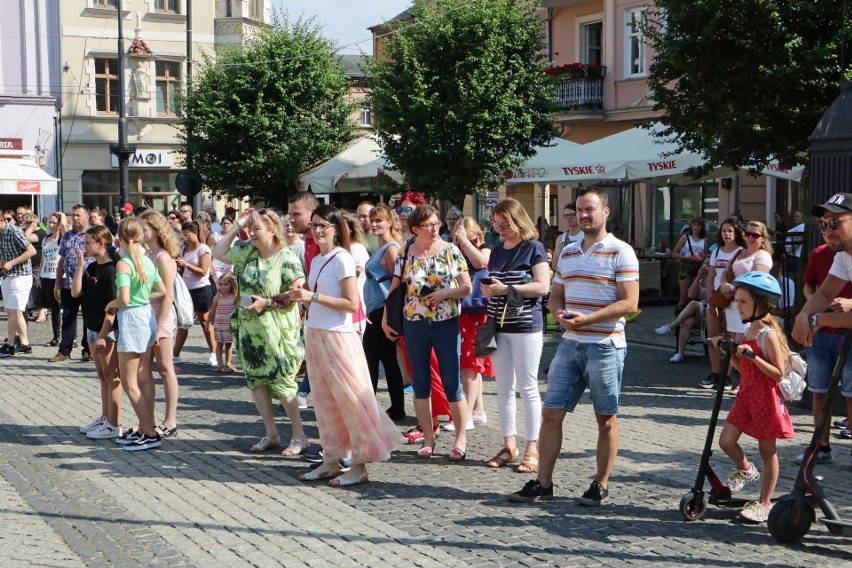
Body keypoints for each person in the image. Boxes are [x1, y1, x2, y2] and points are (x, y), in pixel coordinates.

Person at [509, 188, 639, 505]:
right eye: (580, 209)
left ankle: (600, 483)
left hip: (605, 344)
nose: (583, 215)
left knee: (605, 417)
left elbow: (630, 303)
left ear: (605, 212)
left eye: (590, 209)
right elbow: (555, 294)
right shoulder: (568, 251)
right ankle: (543, 483)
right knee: (551, 414)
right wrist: (559, 315)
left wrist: (589, 319)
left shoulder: (621, 251)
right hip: (570, 343)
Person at [291, 205, 400, 486]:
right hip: (315, 332)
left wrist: (312, 296)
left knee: (351, 401)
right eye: (314, 225)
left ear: (336, 229)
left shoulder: (343, 258)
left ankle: (359, 464)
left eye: (322, 226)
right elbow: (314, 299)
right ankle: (331, 458)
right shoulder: (317, 260)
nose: (316, 231)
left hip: (339, 336)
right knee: (324, 402)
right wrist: (297, 297)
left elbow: (351, 304)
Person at [212, 208, 308, 457]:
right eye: (250, 228)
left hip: (277, 331)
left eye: (256, 228)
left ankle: (299, 435)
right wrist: (236, 226)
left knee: (284, 384)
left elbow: (295, 293)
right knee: (256, 381)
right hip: (248, 329)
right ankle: (271, 434)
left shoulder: (285, 257)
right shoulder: (246, 251)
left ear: (272, 230)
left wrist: (266, 303)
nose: (251, 233)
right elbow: (218, 252)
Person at [382, 204, 472, 461]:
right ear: (415, 229)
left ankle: (460, 439)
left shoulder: (451, 251)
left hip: (446, 322)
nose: (435, 228)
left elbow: (467, 288)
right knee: (420, 383)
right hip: (415, 324)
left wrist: (445, 292)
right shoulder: (405, 253)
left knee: (451, 382)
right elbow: (396, 288)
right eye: (428, 225)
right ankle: (429, 439)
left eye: (436, 223)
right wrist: (387, 318)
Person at [714, 271, 794, 523]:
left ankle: (765, 503)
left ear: (760, 304)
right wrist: (727, 350)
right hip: (746, 395)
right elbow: (742, 367)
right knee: (726, 441)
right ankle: (746, 469)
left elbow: (778, 373)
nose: (738, 306)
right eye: (736, 301)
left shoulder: (767, 334)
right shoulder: (746, 331)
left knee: (767, 450)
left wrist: (753, 356)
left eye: (743, 302)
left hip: (766, 398)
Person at [481, 199, 550, 473]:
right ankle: (509, 445)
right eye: (496, 225)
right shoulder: (497, 250)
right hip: (498, 326)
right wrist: (490, 290)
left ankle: (533, 447)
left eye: (504, 224)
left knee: (528, 387)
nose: (500, 229)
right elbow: (495, 284)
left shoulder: (533, 247)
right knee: (503, 388)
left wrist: (505, 288)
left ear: (518, 220)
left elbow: (542, 286)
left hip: (525, 326)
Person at [791, 193, 852, 466]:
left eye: (835, 222)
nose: (828, 230)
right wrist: (804, 314)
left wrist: (815, 321)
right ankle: (821, 447)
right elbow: (824, 293)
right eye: (823, 224)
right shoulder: (844, 257)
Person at [109, 218, 168, 451]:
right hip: (146, 316)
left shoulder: (125, 263)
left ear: (120, 238)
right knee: (142, 377)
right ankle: (145, 429)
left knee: (129, 381)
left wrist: (111, 305)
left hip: (133, 318)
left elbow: (123, 298)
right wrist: (141, 299)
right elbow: (160, 290)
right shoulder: (145, 259)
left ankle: (150, 432)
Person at [72, 225, 122, 439]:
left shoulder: (111, 270)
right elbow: (75, 292)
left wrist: (103, 334)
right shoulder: (91, 267)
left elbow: (113, 307)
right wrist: (81, 265)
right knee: (102, 375)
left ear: (101, 243)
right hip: (91, 327)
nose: (84, 247)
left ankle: (114, 423)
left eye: (88, 243)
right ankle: (105, 417)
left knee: (112, 376)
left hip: (106, 330)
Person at [138, 209, 180, 437]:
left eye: (144, 229)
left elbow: (168, 295)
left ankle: (170, 420)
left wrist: (159, 325)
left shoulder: (163, 257)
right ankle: (147, 420)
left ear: (155, 230)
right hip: (146, 316)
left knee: (165, 369)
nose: (142, 233)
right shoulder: (148, 254)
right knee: (143, 372)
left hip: (160, 317)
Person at [362, 205, 406, 420]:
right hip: (374, 308)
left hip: (382, 309)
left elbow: (398, 282)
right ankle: (386, 406)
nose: (374, 224)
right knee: (376, 358)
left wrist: (389, 313)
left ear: (390, 222)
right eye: (372, 220)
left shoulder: (391, 248)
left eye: (379, 220)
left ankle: (394, 407)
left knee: (382, 358)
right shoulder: (380, 246)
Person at [453, 216, 492, 429]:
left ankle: (465, 416)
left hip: (476, 311)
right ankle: (478, 410)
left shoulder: (485, 247)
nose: (463, 243)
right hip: (460, 310)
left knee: (470, 363)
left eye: (468, 237)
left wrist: (467, 244)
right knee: (471, 363)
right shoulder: (454, 250)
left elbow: (481, 262)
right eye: (460, 239)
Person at [700, 218, 746, 388]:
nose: (726, 234)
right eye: (724, 231)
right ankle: (715, 373)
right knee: (713, 336)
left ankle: (727, 375)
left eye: (730, 231)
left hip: (733, 300)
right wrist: (711, 299)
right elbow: (711, 276)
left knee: (730, 337)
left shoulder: (742, 252)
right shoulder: (717, 252)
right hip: (717, 298)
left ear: (736, 233)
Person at [49, 204, 92, 363]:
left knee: (89, 317)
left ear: (87, 216)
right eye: (73, 215)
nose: (74, 218)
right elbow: (62, 259)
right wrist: (58, 283)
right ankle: (64, 350)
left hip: (88, 282)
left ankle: (88, 349)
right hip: (69, 282)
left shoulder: (94, 234)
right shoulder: (68, 235)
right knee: (68, 317)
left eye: (78, 215)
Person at [719, 221, 773, 341]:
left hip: (748, 306)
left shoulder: (762, 255)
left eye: (755, 235)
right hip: (731, 304)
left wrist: (732, 288)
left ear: (763, 238)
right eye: (748, 233)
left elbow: (757, 280)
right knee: (732, 345)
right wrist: (724, 284)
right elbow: (724, 273)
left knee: (741, 345)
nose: (750, 237)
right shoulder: (739, 252)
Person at [173, 220, 216, 366]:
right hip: (186, 290)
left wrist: (186, 265)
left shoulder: (204, 249)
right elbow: (181, 269)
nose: (185, 238)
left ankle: (213, 353)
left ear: (195, 233)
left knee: (205, 322)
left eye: (187, 235)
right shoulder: (184, 249)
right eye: (183, 235)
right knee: (183, 322)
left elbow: (204, 271)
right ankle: (176, 354)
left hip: (201, 289)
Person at [654, 261, 709, 362]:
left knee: (693, 303)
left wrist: (710, 277)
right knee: (687, 321)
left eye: (709, 263)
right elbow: (691, 294)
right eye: (705, 263)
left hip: (711, 312)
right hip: (702, 311)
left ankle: (671, 326)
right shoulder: (700, 280)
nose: (707, 266)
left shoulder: (715, 279)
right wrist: (698, 277)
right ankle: (679, 354)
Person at [0, 213, 37, 356]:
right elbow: (3, 254)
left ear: (2, 220)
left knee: (13, 310)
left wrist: (12, 262)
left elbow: (31, 251)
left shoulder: (14, 231)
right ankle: (25, 344)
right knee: (16, 312)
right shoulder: (1, 234)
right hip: (8, 275)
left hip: (21, 275)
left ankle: (10, 344)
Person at [37, 212, 66, 346]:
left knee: (64, 308)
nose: (51, 225)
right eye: (50, 222)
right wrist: (39, 275)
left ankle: (71, 337)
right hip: (46, 276)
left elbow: (66, 231)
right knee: (54, 308)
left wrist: (63, 217)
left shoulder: (62, 239)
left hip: (58, 276)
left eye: (55, 222)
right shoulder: (45, 239)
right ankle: (56, 336)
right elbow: (43, 258)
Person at [672, 218, 707, 311]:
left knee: (693, 297)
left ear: (701, 227)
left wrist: (703, 256)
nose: (696, 226)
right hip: (686, 268)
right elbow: (674, 253)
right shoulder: (685, 237)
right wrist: (686, 258)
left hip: (698, 268)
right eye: (694, 224)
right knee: (684, 298)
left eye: (698, 225)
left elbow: (706, 256)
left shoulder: (704, 240)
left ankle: (690, 318)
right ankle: (679, 318)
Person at [212, 272, 237, 373]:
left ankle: (228, 363)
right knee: (219, 344)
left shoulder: (234, 297)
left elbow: (236, 310)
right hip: (219, 324)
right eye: (220, 284)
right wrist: (208, 323)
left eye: (225, 284)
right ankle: (220, 364)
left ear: (231, 285)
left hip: (229, 325)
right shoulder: (217, 297)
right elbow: (212, 310)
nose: (222, 286)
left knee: (228, 344)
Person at [551, 203, 584, 273]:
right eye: (566, 215)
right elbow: (555, 263)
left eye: (572, 215)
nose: (569, 218)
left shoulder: (586, 236)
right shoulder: (561, 238)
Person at [784, 210, 806, 275]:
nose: (795, 218)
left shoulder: (802, 226)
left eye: (797, 216)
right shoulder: (798, 227)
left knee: (792, 276)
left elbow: (797, 242)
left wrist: (786, 252)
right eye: (794, 217)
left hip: (794, 255)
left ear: (803, 217)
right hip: (792, 255)